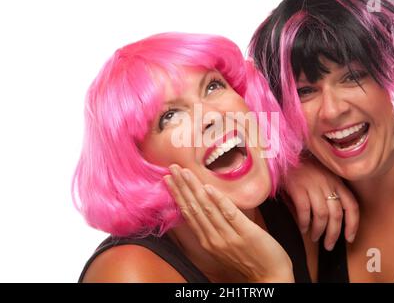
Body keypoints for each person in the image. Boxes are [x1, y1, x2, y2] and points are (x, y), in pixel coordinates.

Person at [73, 32, 326, 282]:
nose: (212, 117)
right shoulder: (127, 274)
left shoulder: (300, 211)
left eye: (213, 86)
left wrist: (308, 163)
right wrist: (271, 277)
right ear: (141, 165)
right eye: (170, 116)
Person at [250, 0, 394, 282]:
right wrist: (283, 166)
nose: (331, 111)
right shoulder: (289, 203)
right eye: (305, 91)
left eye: (353, 77)